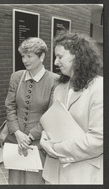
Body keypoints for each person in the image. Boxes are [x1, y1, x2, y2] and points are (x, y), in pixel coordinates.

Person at [40, 31, 103, 184]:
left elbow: (98, 140)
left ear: (78, 56)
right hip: (54, 173)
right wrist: (44, 137)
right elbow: (52, 124)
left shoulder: (99, 88)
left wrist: (55, 148)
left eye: (60, 57)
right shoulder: (60, 87)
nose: (55, 62)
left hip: (82, 173)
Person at [5, 37, 58, 184]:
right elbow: (10, 106)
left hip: (37, 143)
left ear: (41, 57)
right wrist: (17, 133)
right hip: (16, 140)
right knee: (14, 182)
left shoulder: (55, 80)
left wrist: (28, 137)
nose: (25, 60)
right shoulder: (16, 77)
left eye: (29, 56)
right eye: (23, 56)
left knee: (34, 182)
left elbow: (51, 115)